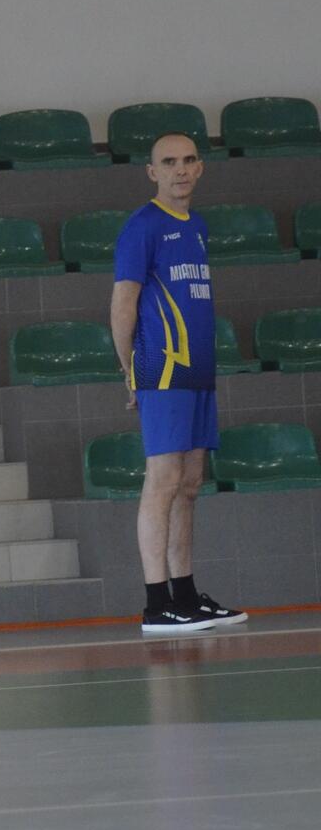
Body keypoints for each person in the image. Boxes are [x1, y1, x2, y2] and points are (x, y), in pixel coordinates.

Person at [110, 132, 245, 634]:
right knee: (162, 481)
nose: (180, 169)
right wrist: (130, 371)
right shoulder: (142, 226)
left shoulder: (198, 226)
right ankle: (156, 604)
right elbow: (123, 304)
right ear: (152, 172)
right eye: (168, 162)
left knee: (189, 484)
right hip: (163, 367)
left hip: (199, 369)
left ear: (200, 167)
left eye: (188, 160)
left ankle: (185, 596)